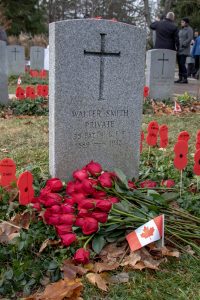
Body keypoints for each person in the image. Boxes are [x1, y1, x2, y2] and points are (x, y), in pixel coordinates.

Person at [175, 17, 193, 84]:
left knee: (182, 63)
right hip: (179, 49)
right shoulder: (181, 30)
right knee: (179, 64)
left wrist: (184, 44)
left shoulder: (189, 29)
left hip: (184, 50)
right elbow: (178, 38)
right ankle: (180, 78)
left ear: (186, 23)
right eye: (181, 22)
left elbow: (190, 38)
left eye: (182, 22)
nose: (181, 23)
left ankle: (185, 78)